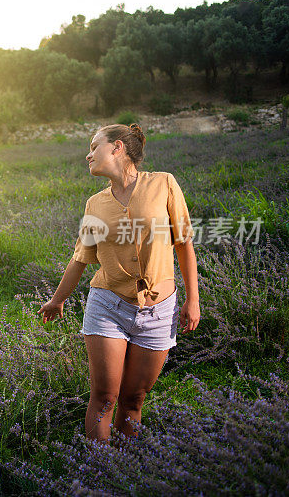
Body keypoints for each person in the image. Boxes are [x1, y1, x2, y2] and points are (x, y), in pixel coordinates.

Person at [36, 123, 200, 444]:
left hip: (159, 311)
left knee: (133, 400)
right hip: (107, 306)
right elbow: (80, 258)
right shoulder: (95, 205)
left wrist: (192, 300)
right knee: (105, 396)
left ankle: (122, 470)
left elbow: (183, 243)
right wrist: (57, 300)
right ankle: (99, 471)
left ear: (117, 148)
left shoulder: (163, 184)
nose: (88, 154)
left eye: (94, 145)